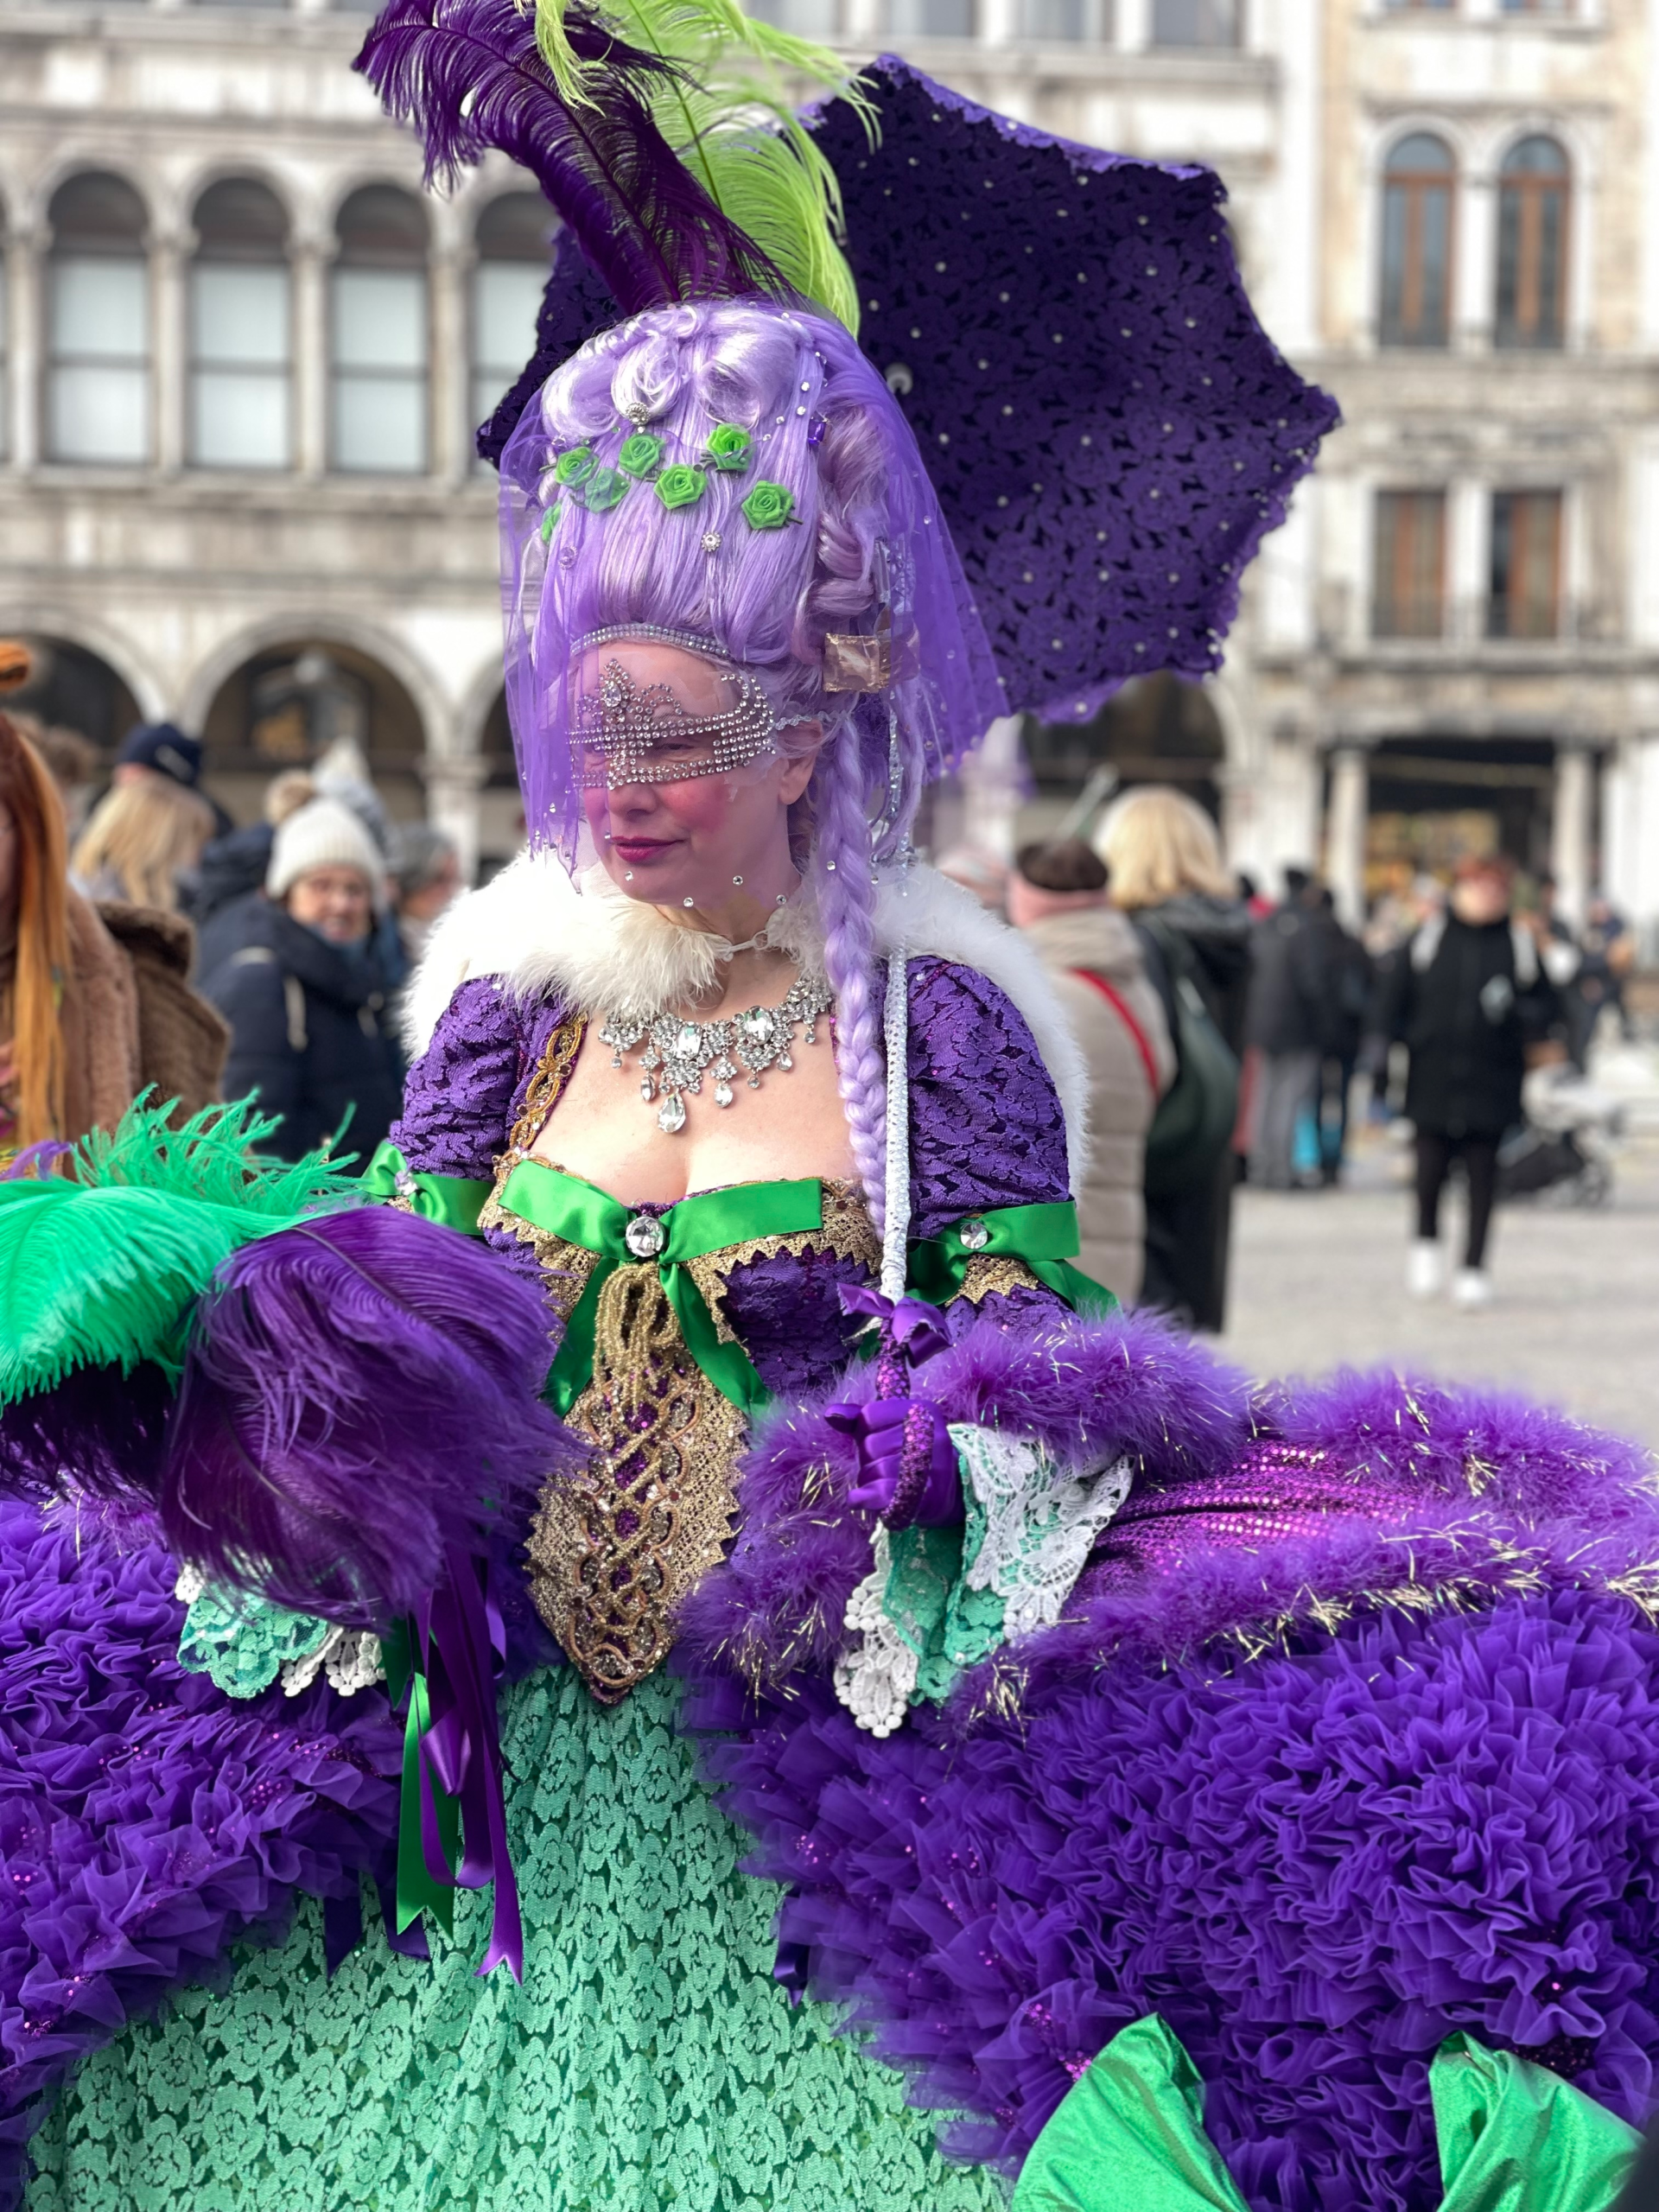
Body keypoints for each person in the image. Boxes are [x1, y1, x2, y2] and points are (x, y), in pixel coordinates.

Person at [3, 29, 1653, 2212]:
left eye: (679, 730)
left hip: (806, 1819)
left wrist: (935, 1446)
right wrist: (301, 1362)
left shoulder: (934, 1029)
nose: (621, 789)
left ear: (813, 734)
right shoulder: (503, 1004)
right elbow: (387, 1281)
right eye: (585, 728)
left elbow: (1053, 1397)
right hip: (488, 1812)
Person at [1096, 785, 1249, 1331]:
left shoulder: (1139, 940)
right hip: (1207, 1146)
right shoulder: (1233, 934)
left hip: (1151, 1147)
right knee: (1180, 1323)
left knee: (1144, 1326)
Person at [1388, 853, 1561, 1309]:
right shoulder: (1429, 938)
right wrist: (1392, 1048)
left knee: (1485, 1178)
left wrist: (1518, 1014)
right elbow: (1393, 1000)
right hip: (1433, 1076)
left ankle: (1473, 1266)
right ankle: (1425, 1243)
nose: (1485, 896)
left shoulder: (1519, 944)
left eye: (1495, 888)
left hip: (1493, 1080)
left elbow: (1548, 1008)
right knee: (1429, 1171)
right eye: (1477, 886)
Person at [1007, 836, 1173, 1303]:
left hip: (1060, 1244)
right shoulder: (1132, 979)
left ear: (1027, 900)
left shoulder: (1042, 992)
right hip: (1121, 1225)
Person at [200, 793, 404, 1162]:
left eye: (354, 889)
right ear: (285, 895)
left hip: (354, 1208)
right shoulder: (261, 983)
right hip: (299, 1214)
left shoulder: (365, 987)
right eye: (320, 885)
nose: (341, 904)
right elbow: (251, 1138)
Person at [1242, 865, 1325, 1190]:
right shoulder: (1305, 926)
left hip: (1262, 1021)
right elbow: (1312, 982)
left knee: (1265, 1096)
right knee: (1289, 1098)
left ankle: (1261, 1166)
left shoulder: (1266, 923)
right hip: (1296, 1024)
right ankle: (1281, 1170)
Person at [70, 773, 217, 914]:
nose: (201, 855)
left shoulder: (79, 889)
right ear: (160, 846)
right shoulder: (108, 914)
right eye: (196, 844)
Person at [388, 821, 462, 965]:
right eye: (439, 880)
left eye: (454, 880)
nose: (450, 892)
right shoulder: (378, 946)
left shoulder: (455, 940)